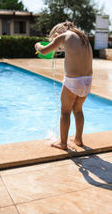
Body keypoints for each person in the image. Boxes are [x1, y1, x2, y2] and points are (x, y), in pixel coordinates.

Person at [35, 21, 93, 150]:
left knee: (65, 112)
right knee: (78, 110)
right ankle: (78, 139)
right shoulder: (83, 38)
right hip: (88, 81)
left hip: (73, 81)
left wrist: (37, 45)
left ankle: (63, 143)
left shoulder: (63, 36)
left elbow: (44, 51)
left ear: (58, 32)